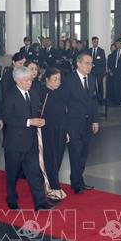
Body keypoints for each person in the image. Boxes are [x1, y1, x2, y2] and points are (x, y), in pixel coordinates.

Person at [2, 66, 56, 211]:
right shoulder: (10, 95)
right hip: (15, 142)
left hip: (31, 141)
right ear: (17, 80)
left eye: (30, 80)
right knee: (12, 174)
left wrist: (40, 120)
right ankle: (11, 198)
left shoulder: (34, 93)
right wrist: (28, 122)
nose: (29, 83)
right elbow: (7, 118)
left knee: (34, 173)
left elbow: (38, 111)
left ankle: (40, 202)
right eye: (25, 80)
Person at [62, 52, 100, 194]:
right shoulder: (68, 80)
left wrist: (95, 120)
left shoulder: (92, 79)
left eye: (91, 63)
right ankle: (77, 182)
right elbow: (63, 104)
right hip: (73, 123)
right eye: (86, 63)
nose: (89, 66)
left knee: (84, 152)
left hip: (87, 123)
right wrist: (65, 127)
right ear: (78, 64)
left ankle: (78, 179)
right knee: (75, 152)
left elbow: (94, 101)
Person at [40, 68, 69, 199]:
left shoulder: (60, 93)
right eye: (55, 79)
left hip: (60, 130)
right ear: (47, 80)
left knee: (58, 158)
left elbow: (64, 114)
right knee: (50, 159)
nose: (58, 82)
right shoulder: (42, 93)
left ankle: (52, 184)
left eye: (59, 79)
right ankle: (54, 187)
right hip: (47, 131)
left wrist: (66, 131)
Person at [89, 37, 106, 104]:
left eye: (97, 41)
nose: (96, 43)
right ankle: (92, 99)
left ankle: (100, 100)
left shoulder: (101, 51)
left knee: (100, 85)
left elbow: (103, 62)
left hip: (99, 71)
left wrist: (103, 71)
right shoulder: (89, 50)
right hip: (91, 71)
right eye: (94, 41)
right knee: (91, 85)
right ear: (92, 42)